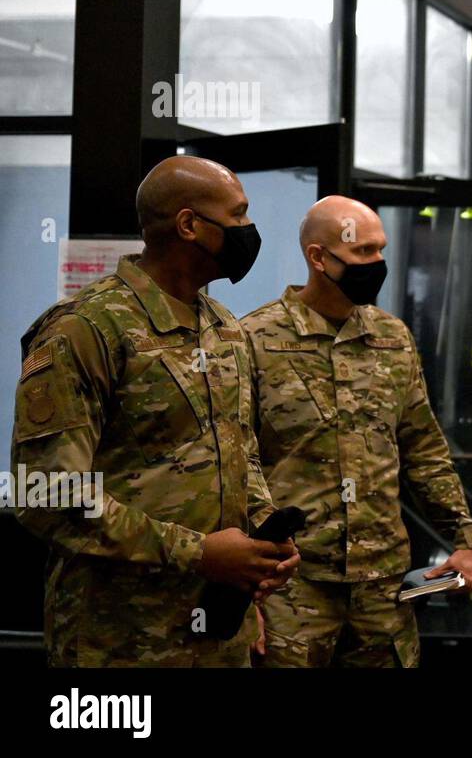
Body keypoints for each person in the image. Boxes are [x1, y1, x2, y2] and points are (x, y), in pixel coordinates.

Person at [10, 156, 299, 666]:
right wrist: (199, 554)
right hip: (119, 637)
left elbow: (240, 450)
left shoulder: (225, 327)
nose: (249, 231)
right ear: (189, 225)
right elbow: (47, 494)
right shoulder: (86, 330)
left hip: (218, 628)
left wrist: (262, 537)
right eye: (238, 216)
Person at [243, 195, 472, 667]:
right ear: (318, 258)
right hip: (290, 586)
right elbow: (234, 465)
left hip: (382, 585)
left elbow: (423, 448)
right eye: (363, 252)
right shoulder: (253, 339)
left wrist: (465, 535)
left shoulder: (392, 338)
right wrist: (243, 594)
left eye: (381, 250)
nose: (378, 263)